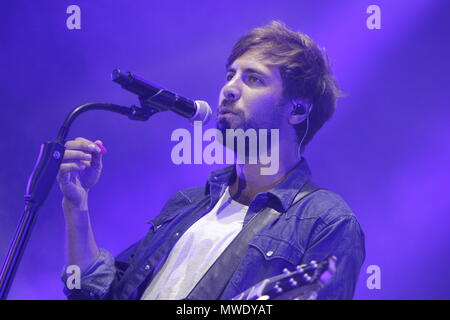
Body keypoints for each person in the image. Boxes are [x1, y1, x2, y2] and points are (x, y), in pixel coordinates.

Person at [57, 21, 365, 300]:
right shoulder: (189, 204)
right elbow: (100, 294)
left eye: (254, 79)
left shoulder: (327, 221)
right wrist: (77, 206)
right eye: (231, 75)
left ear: (297, 110)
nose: (229, 88)